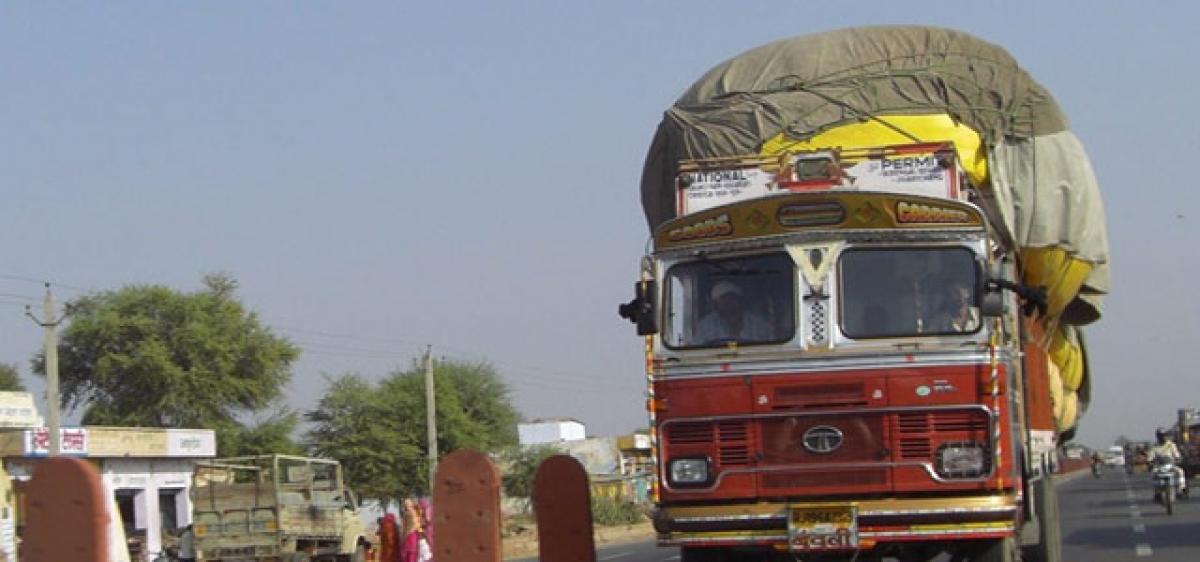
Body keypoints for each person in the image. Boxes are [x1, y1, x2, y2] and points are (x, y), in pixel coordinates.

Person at [694, 280, 772, 344]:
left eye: (731, 297)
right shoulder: (706, 325)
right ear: (716, 303)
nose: (728, 301)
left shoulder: (758, 323)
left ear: (739, 300)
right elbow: (696, 349)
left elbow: (773, 345)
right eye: (723, 298)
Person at [1150, 429, 1187, 494]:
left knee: (1180, 471)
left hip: (1170, 465)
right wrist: (1150, 461)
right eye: (1161, 436)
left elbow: (1176, 454)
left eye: (1164, 435)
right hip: (1159, 466)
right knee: (1153, 473)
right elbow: (1150, 456)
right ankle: (1156, 491)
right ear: (1158, 437)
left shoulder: (1171, 445)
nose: (1163, 437)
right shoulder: (1154, 446)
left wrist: (1178, 458)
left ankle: (1181, 488)